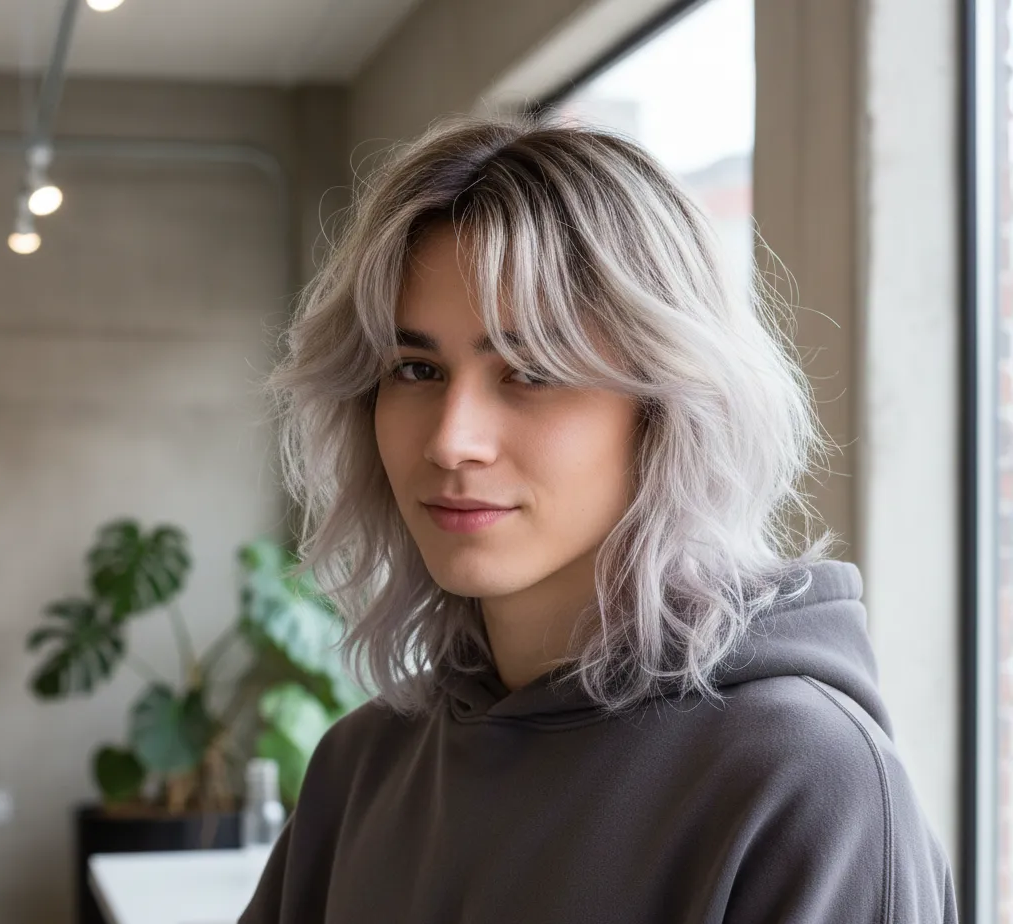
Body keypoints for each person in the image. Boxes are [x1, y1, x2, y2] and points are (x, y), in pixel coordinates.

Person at [239, 112, 959, 923]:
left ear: (666, 408)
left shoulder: (805, 783)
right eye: (415, 368)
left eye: (531, 370)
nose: (451, 440)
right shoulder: (364, 765)